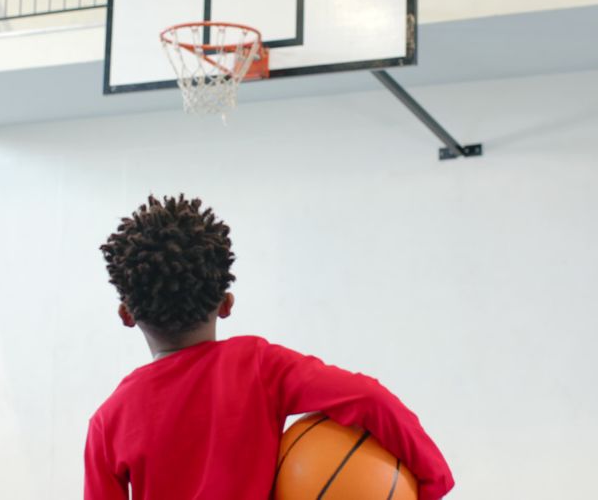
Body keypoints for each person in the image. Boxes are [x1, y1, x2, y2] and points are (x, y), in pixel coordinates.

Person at [85, 195, 454, 499]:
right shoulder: (258, 366)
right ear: (227, 304)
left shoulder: (108, 421)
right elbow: (369, 398)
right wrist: (433, 481)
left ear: (126, 314)